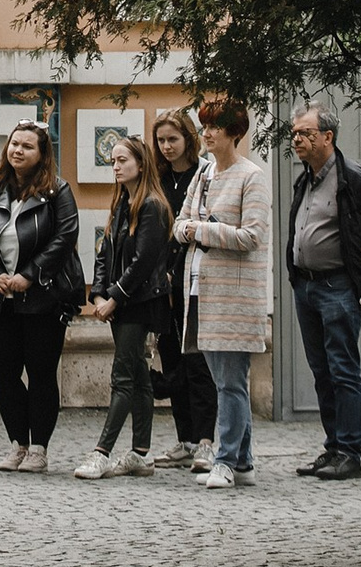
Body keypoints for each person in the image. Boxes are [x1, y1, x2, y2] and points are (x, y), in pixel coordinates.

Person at [0, 120, 80, 473]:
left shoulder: (58, 191)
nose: (18, 150)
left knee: (41, 372)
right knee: (4, 373)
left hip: (42, 299)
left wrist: (29, 276)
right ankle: (17, 443)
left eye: (27, 146)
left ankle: (39, 448)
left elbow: (65, 237)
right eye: (14, 144)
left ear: (42, 153)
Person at [174, 97, 271, 488]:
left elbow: (253, 235)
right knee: (224, 382)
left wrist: (201, 230)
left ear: (234, 132)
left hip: (234, 295)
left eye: (215, 126)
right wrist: (189, 229)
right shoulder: (202, 174)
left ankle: (226, 460)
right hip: (200, 289)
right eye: (205, 126)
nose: (207, 133)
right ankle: (243, 461)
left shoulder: (253, 176)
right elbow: (180, 221)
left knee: (231, 381)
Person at [73, 134, 176, 479]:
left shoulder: (151, 205)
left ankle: (101, 452)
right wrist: (99, 294)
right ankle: (141, 453)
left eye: (122, 161)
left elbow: (145, 262)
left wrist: (115, 296)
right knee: (141, 378)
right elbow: (105, 254)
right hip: (120, 302)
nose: (115, 167)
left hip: (141, 303)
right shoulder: (122, 203)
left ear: (141, 164)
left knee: (123, 377)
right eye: (113, 161)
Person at [286, 101, 361, 480]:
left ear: (328, 136)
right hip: (306, 286)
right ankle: (332, 446)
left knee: (343, 369)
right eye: (294, 133)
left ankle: (350, 452)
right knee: (321, 370)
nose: (297, 139)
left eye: (305, 133)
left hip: (338, 286)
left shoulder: (353, 179)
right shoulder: (304, 178)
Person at [147, 108, 213, 466]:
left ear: (189, 138)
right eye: (161, 140)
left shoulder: (204, 175)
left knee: (198, 362)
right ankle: (184, 439)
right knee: (172, 359)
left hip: (193, 280)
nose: (167, 146)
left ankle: (205, 439)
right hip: (162, 283)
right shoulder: (158, 178)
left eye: (173, 139)